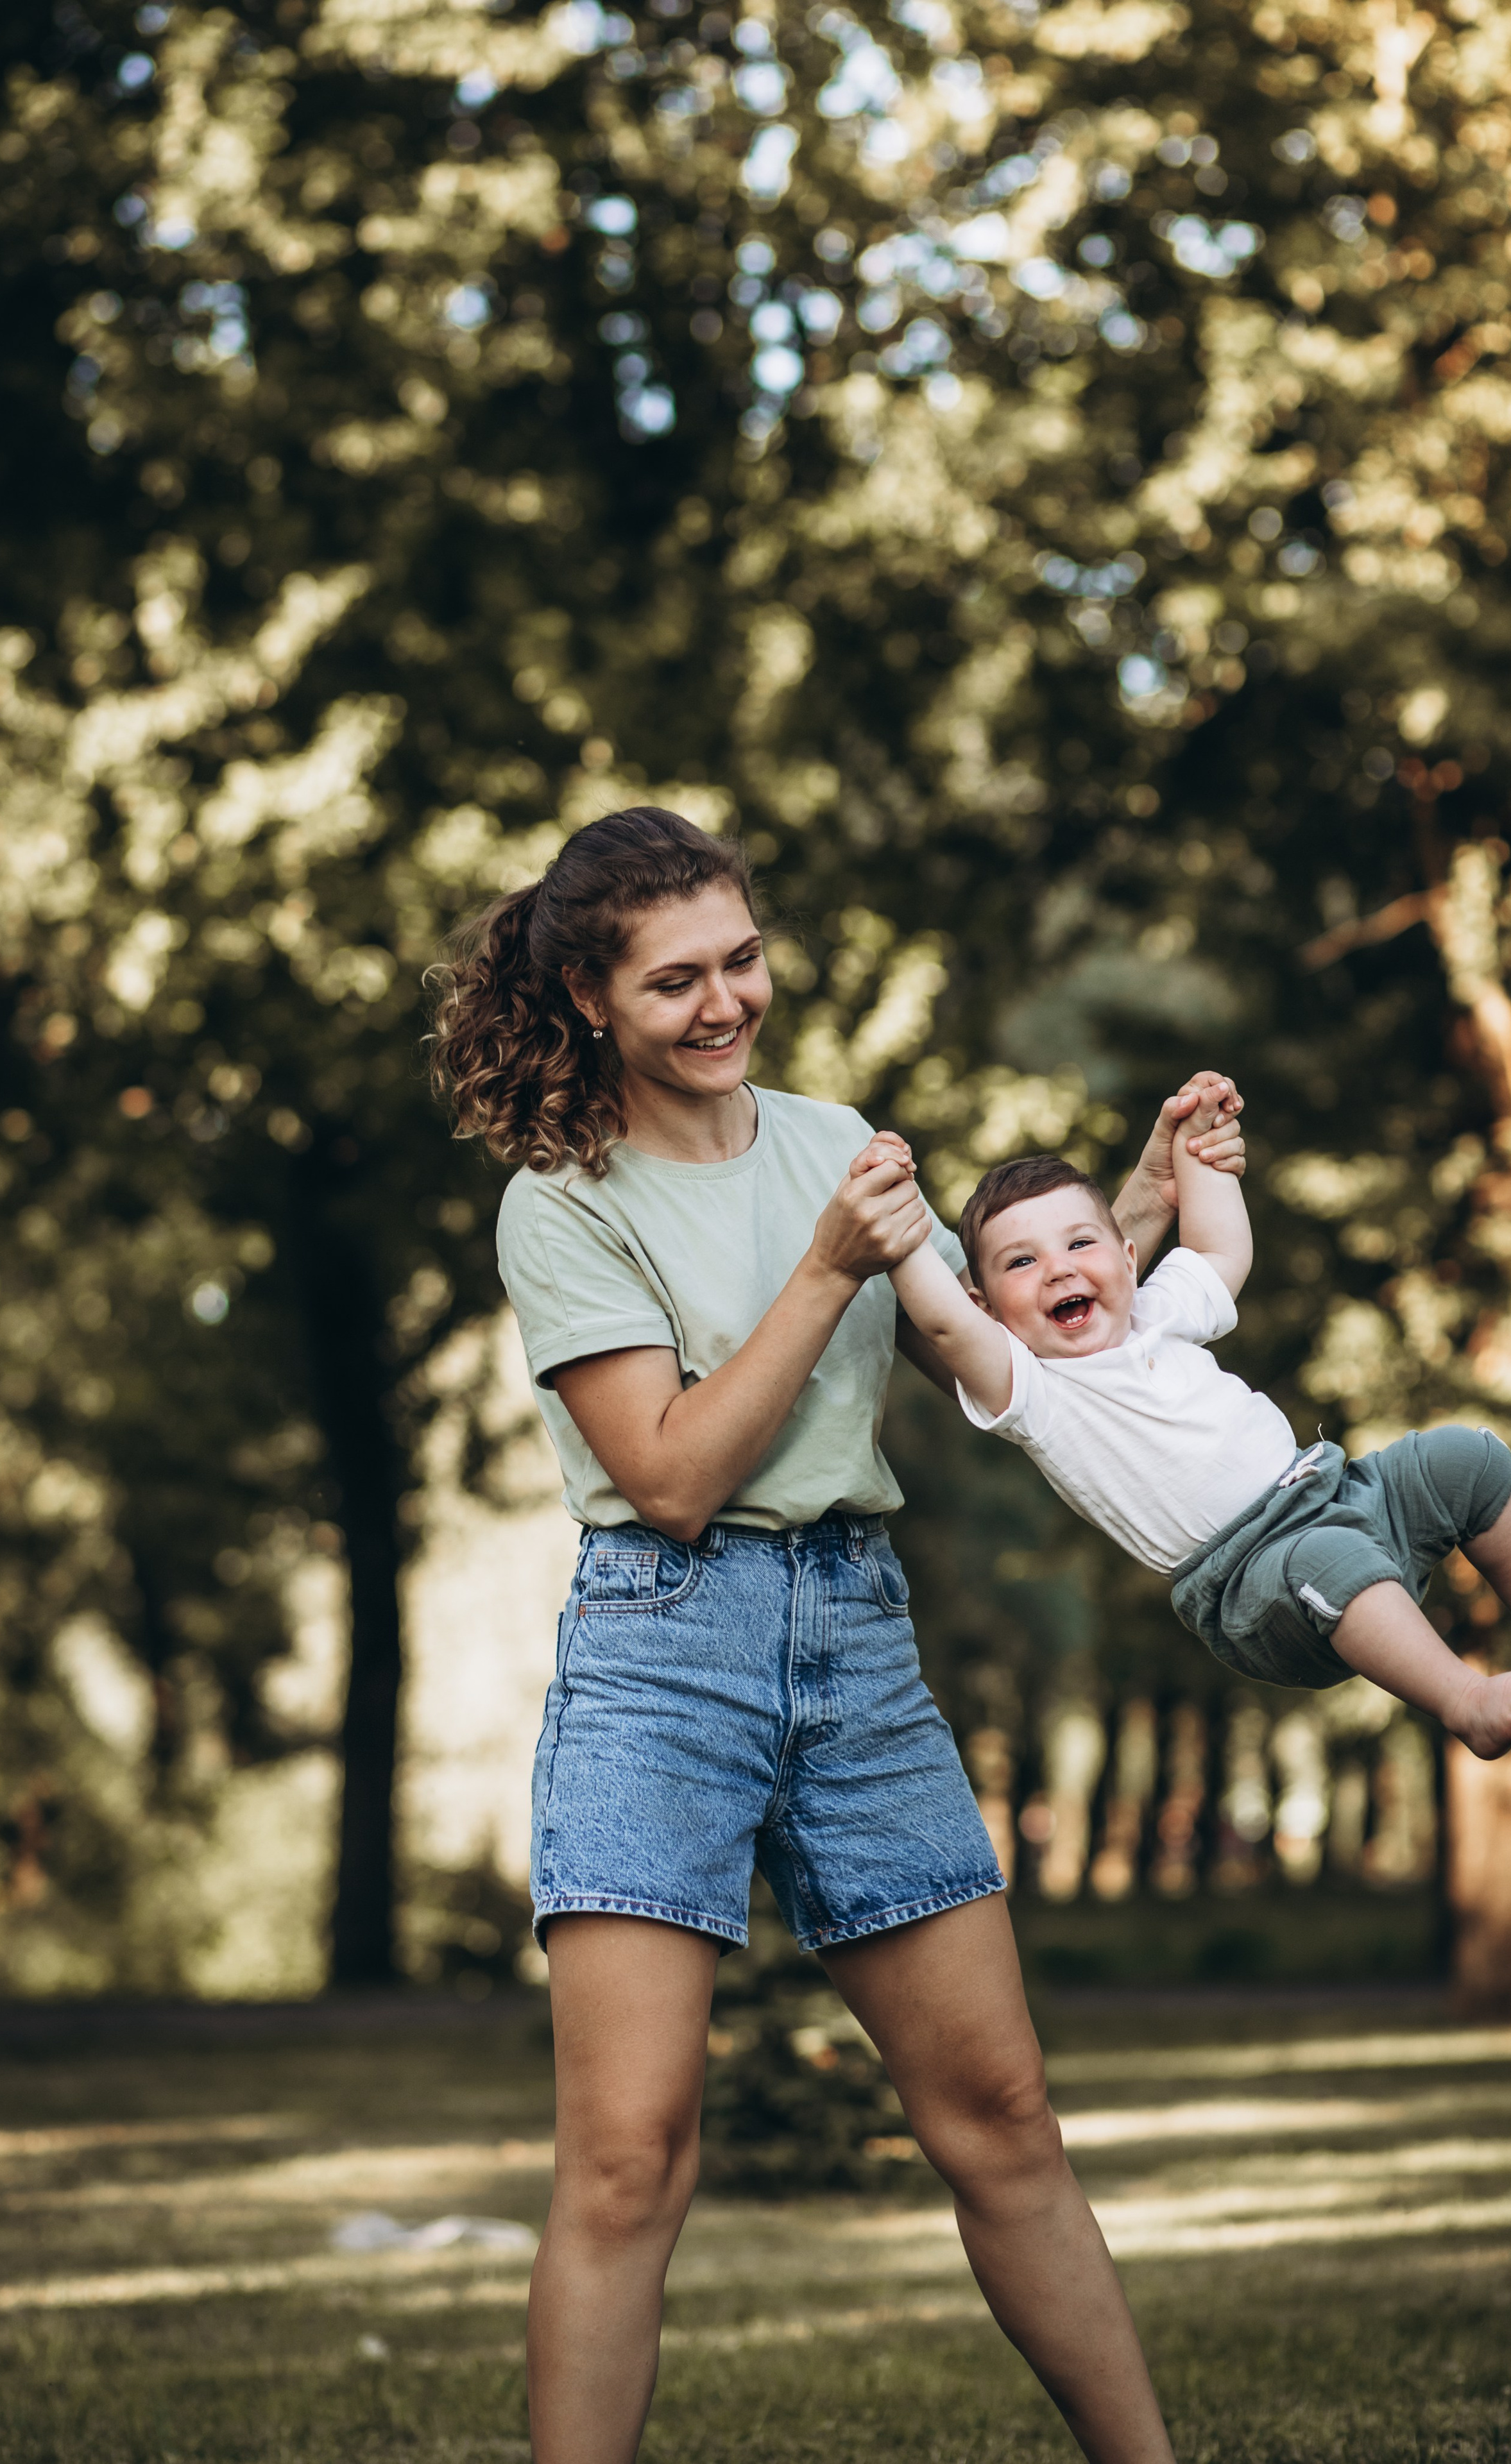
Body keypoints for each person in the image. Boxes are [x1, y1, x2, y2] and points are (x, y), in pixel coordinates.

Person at [429, 804, 1245, 2464]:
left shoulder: (834, 1140)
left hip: (855, 1640)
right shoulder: (563, 1202)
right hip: (665, 1654)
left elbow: (985, 1344)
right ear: (592, 997)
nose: (725, 1001)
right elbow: (665, 1476)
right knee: (625, 2155)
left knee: (1002, 2117)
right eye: (676, 981)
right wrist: (819, 1271)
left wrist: (1142, 1206)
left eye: (743, 959)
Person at [880, 1097, 1511, 1758]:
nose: (1057, 1270)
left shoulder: (1157, 1310)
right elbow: (941, 1322)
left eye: (1079, 1244)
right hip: (1253, 1581)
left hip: (1337, 1490)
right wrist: (898, 1222)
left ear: (1127, 1259)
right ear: (990, 1311)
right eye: (1021, 1261)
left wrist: (1200, 1149)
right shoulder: (1035, 1391)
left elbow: (1223, 1251)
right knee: (1330, 1561)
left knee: (1463, 1458)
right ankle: (1462, 1699)